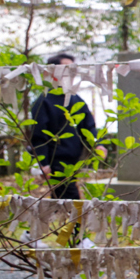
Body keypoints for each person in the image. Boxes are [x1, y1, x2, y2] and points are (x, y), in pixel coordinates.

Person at [29, 53, 106, 199]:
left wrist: (98, 144)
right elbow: (38, 135)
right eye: (66, 69)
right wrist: (43, 162)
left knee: (63, 202)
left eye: (72, 70)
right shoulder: (44, 102)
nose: (70, 74)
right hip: (56, 161)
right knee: (69, 201)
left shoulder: (75, 99)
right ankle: (75, 222)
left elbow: (88, 126)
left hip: (73, 160)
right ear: (52, 72)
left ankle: (68, 221)